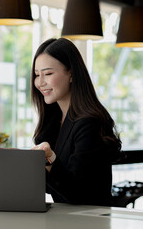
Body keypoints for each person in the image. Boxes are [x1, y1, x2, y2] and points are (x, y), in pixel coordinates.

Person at [31, 38, 122, 206]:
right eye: (37, 75)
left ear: (71, 74)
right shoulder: (54, 121)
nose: (40, 82)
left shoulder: (90, 123)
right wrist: (19, 161)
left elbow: (78, 193)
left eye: (48, 74)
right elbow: (51, 187)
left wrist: (49, 158)